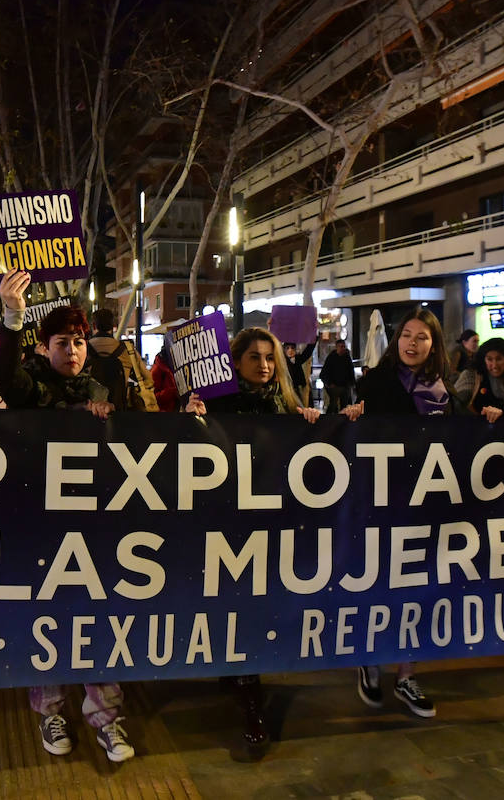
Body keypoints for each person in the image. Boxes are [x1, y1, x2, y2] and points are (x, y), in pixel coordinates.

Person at [0, 270, 134, 763]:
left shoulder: (102, 388)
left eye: (78, 341)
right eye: (61, 342)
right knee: (47, 617)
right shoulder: (31, 388)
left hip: (95, 526)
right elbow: (6, 380)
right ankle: (50, 708)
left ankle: (106, 717)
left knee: (99, 616)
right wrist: (12, 317)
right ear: (44, 347)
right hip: (44, 524)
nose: (72, 350)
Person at [185, 327, 321, 755]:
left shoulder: (286, 405)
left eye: (269, 358)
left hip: (270, 521)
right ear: (235, 361)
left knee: (257, 601)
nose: (263, 366)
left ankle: (248, 686)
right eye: (253, 358)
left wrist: (315, 425)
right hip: (227, 519)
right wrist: (191, 417)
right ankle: (245, 687)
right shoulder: (219, 403)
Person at [342, 309, 454, 719]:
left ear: (433, 344)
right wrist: (352, 418)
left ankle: (406, 672)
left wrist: (491, 422)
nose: (411, 343)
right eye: (405, 335)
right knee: (378, 584)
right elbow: (356, 438)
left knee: (419, 590)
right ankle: (370, 661)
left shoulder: (446, 389)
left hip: (428, 507)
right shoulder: (376, 381)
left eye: (421, 337)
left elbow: (465, 441)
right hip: (381, 503)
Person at [86, 309, 158, 412]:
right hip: (119, 412)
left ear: (93, 325)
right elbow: (148, 380)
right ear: (113, 326)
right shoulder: (127, 350)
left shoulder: (83, 350)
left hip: (89, 412)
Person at [454, 337, 504, 421]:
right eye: (489, 359)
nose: (494, 365)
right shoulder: (472, 377)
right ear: (483, 360)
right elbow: (457, 406)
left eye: (499, 359)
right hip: (477, 430)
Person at [319, 338, 356, 413]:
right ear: (337, 347)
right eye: (341, 346)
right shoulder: (331, 358)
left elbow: (351, 372)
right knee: (333, 404)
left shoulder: (347, 358)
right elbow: (324, 373)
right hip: (334, 386)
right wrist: (329, 383)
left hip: (344, 386)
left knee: (345, 404)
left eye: (343, 347)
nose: (343, 348)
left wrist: (351, 383)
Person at [283, 340, 316, 408]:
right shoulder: (282, 361)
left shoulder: (298, 359)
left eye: (292, 348)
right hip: (286, 389)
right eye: (287, 348)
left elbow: (308, 352)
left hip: (299, 388)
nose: (290, 350)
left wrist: (314, 338)